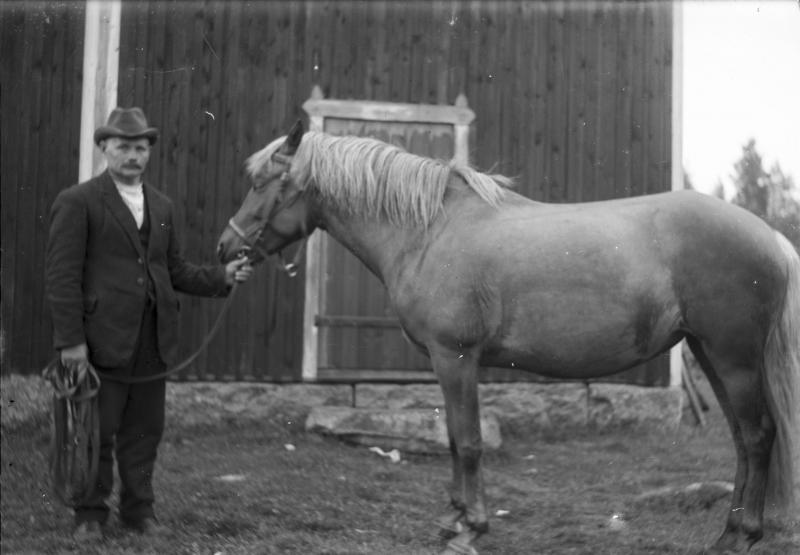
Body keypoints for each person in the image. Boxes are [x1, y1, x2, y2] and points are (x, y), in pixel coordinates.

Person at [45, 106, 253, 543]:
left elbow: (172, 269)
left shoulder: (161, 205)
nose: (132, 155)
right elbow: (62, 278)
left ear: (149, 152)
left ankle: (139, 512)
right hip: (100, 341)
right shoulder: (78, 201)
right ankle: (90, 514)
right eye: (123, 146)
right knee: (96, 431)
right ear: (105, 147)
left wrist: (221, 277)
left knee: (144, 432)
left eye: (140, 148)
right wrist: (71, 343)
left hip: (152, 340)